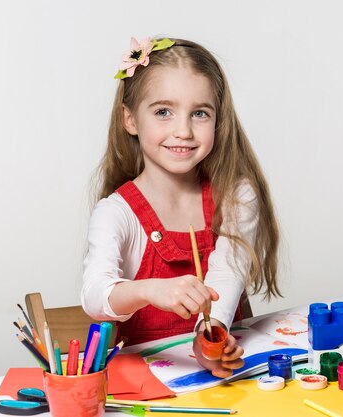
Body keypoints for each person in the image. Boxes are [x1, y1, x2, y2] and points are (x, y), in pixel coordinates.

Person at [81, 36, 281, 378]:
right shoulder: (116, 213)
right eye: (163, 112)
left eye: (199, 113)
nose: (183, 130)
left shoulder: (236, 196)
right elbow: (94, 296)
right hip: (148, 387)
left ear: (218, 120)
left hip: (219, 384)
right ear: (129, 119)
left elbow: (227, 274)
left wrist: (210, 341)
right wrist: (148, 289)